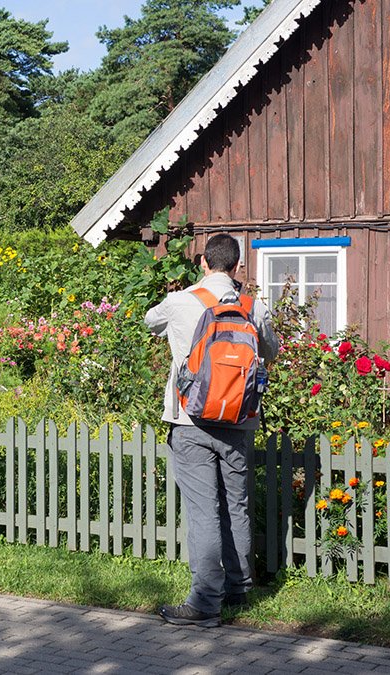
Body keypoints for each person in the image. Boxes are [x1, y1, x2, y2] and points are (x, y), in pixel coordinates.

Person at [144, 233, 279, 628]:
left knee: (204, 512)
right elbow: (270, 352)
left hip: (190, 421)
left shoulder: (182, 301)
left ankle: (204, 601)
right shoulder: (254, 307)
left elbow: (150, 322)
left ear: (203, 262)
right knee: (235, 504)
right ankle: (240, 587)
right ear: (237, 267)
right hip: (239, 421)